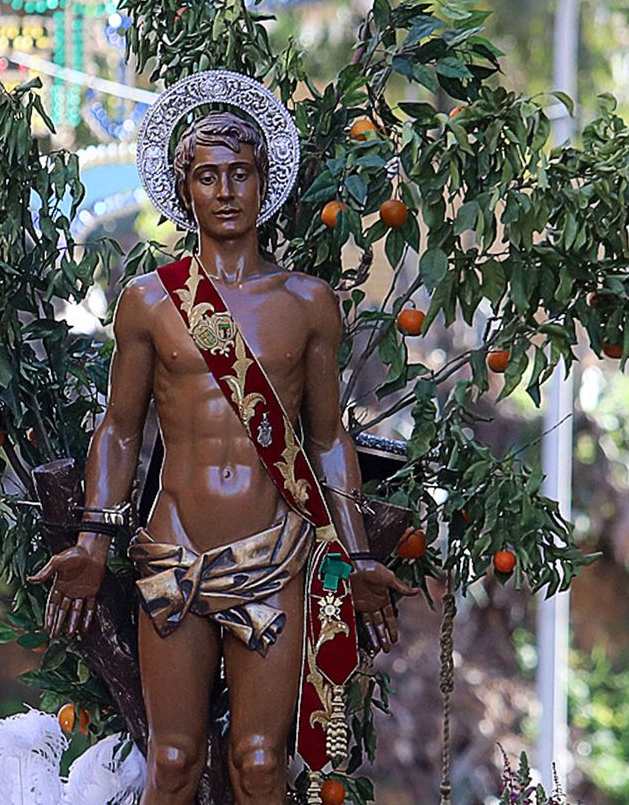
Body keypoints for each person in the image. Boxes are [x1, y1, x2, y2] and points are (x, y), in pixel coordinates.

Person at [30, 70, 418, 805]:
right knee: (171, 760)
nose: (227, 189)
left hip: (272, 555)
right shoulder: (151, 300)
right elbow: (119, 429)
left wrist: (358, 552)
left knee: (262, 763)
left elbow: (329, 437)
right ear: (186, 192)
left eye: (241, 173)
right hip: (173, 551)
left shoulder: (307, 304)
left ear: (264, 181)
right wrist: (91, 542)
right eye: (208, 176)